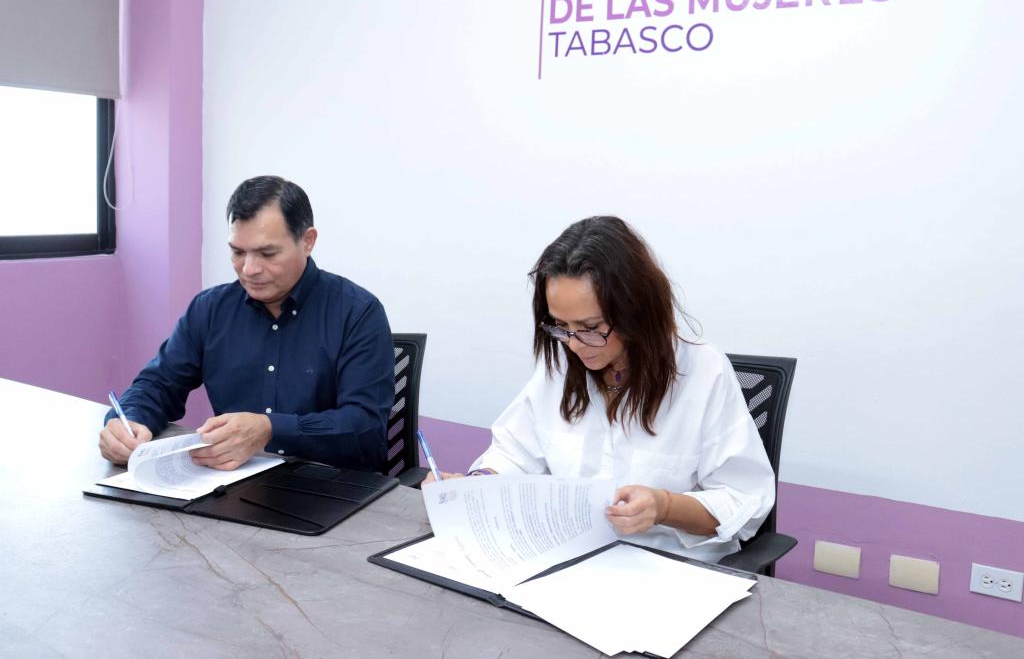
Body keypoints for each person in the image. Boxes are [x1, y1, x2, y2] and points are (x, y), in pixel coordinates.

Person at [427, 216, 774, 563]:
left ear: (636, 310)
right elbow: (514, 454)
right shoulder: (561, 366)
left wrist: (663, 507)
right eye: (561, 326)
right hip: (572, 559)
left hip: (670, 567)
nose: (575, 344)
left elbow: (743, 501)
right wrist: (476, 484)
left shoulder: (703, 372)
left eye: (590, 327)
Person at [98, 176, 395, 472]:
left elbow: (365, 429)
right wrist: (128, 422)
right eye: (238, 252)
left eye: (267, 253)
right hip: (233, 482)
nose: (249, 269)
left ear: (307, 241)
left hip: (333, 485)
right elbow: (157, 385)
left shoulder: (358, 313)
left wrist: (270, 429)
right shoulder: (210, 310)